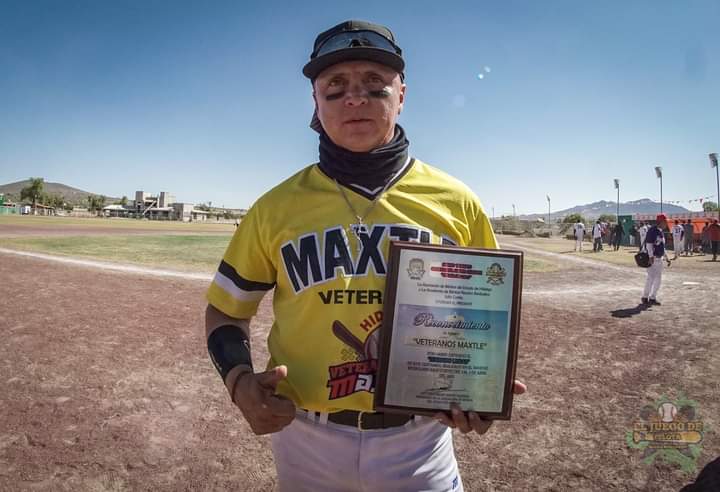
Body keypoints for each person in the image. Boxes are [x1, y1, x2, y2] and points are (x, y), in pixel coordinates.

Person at [203, 20, 526, 492]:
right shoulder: (274, 208)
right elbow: (225, 311)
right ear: (315, 101)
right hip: (306, 437)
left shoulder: (457, 202)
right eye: (335, 86)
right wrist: (237, 381)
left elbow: (483, 319)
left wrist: (478, 388)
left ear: (402, 95)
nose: (355, 97)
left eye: (375, 83)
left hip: (419, 440)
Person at [642, 214, 671, 305]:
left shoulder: (660, 231)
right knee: (650, 278)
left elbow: (662, 246)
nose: (666, 223)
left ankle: (653, 297)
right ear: (660, 222)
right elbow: (649, 244)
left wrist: (667, 257)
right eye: (665, 221)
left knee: (658, 279)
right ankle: (645, 297)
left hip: (660, 258)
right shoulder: (652, 230)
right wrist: (650, 256)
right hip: (653, 258)